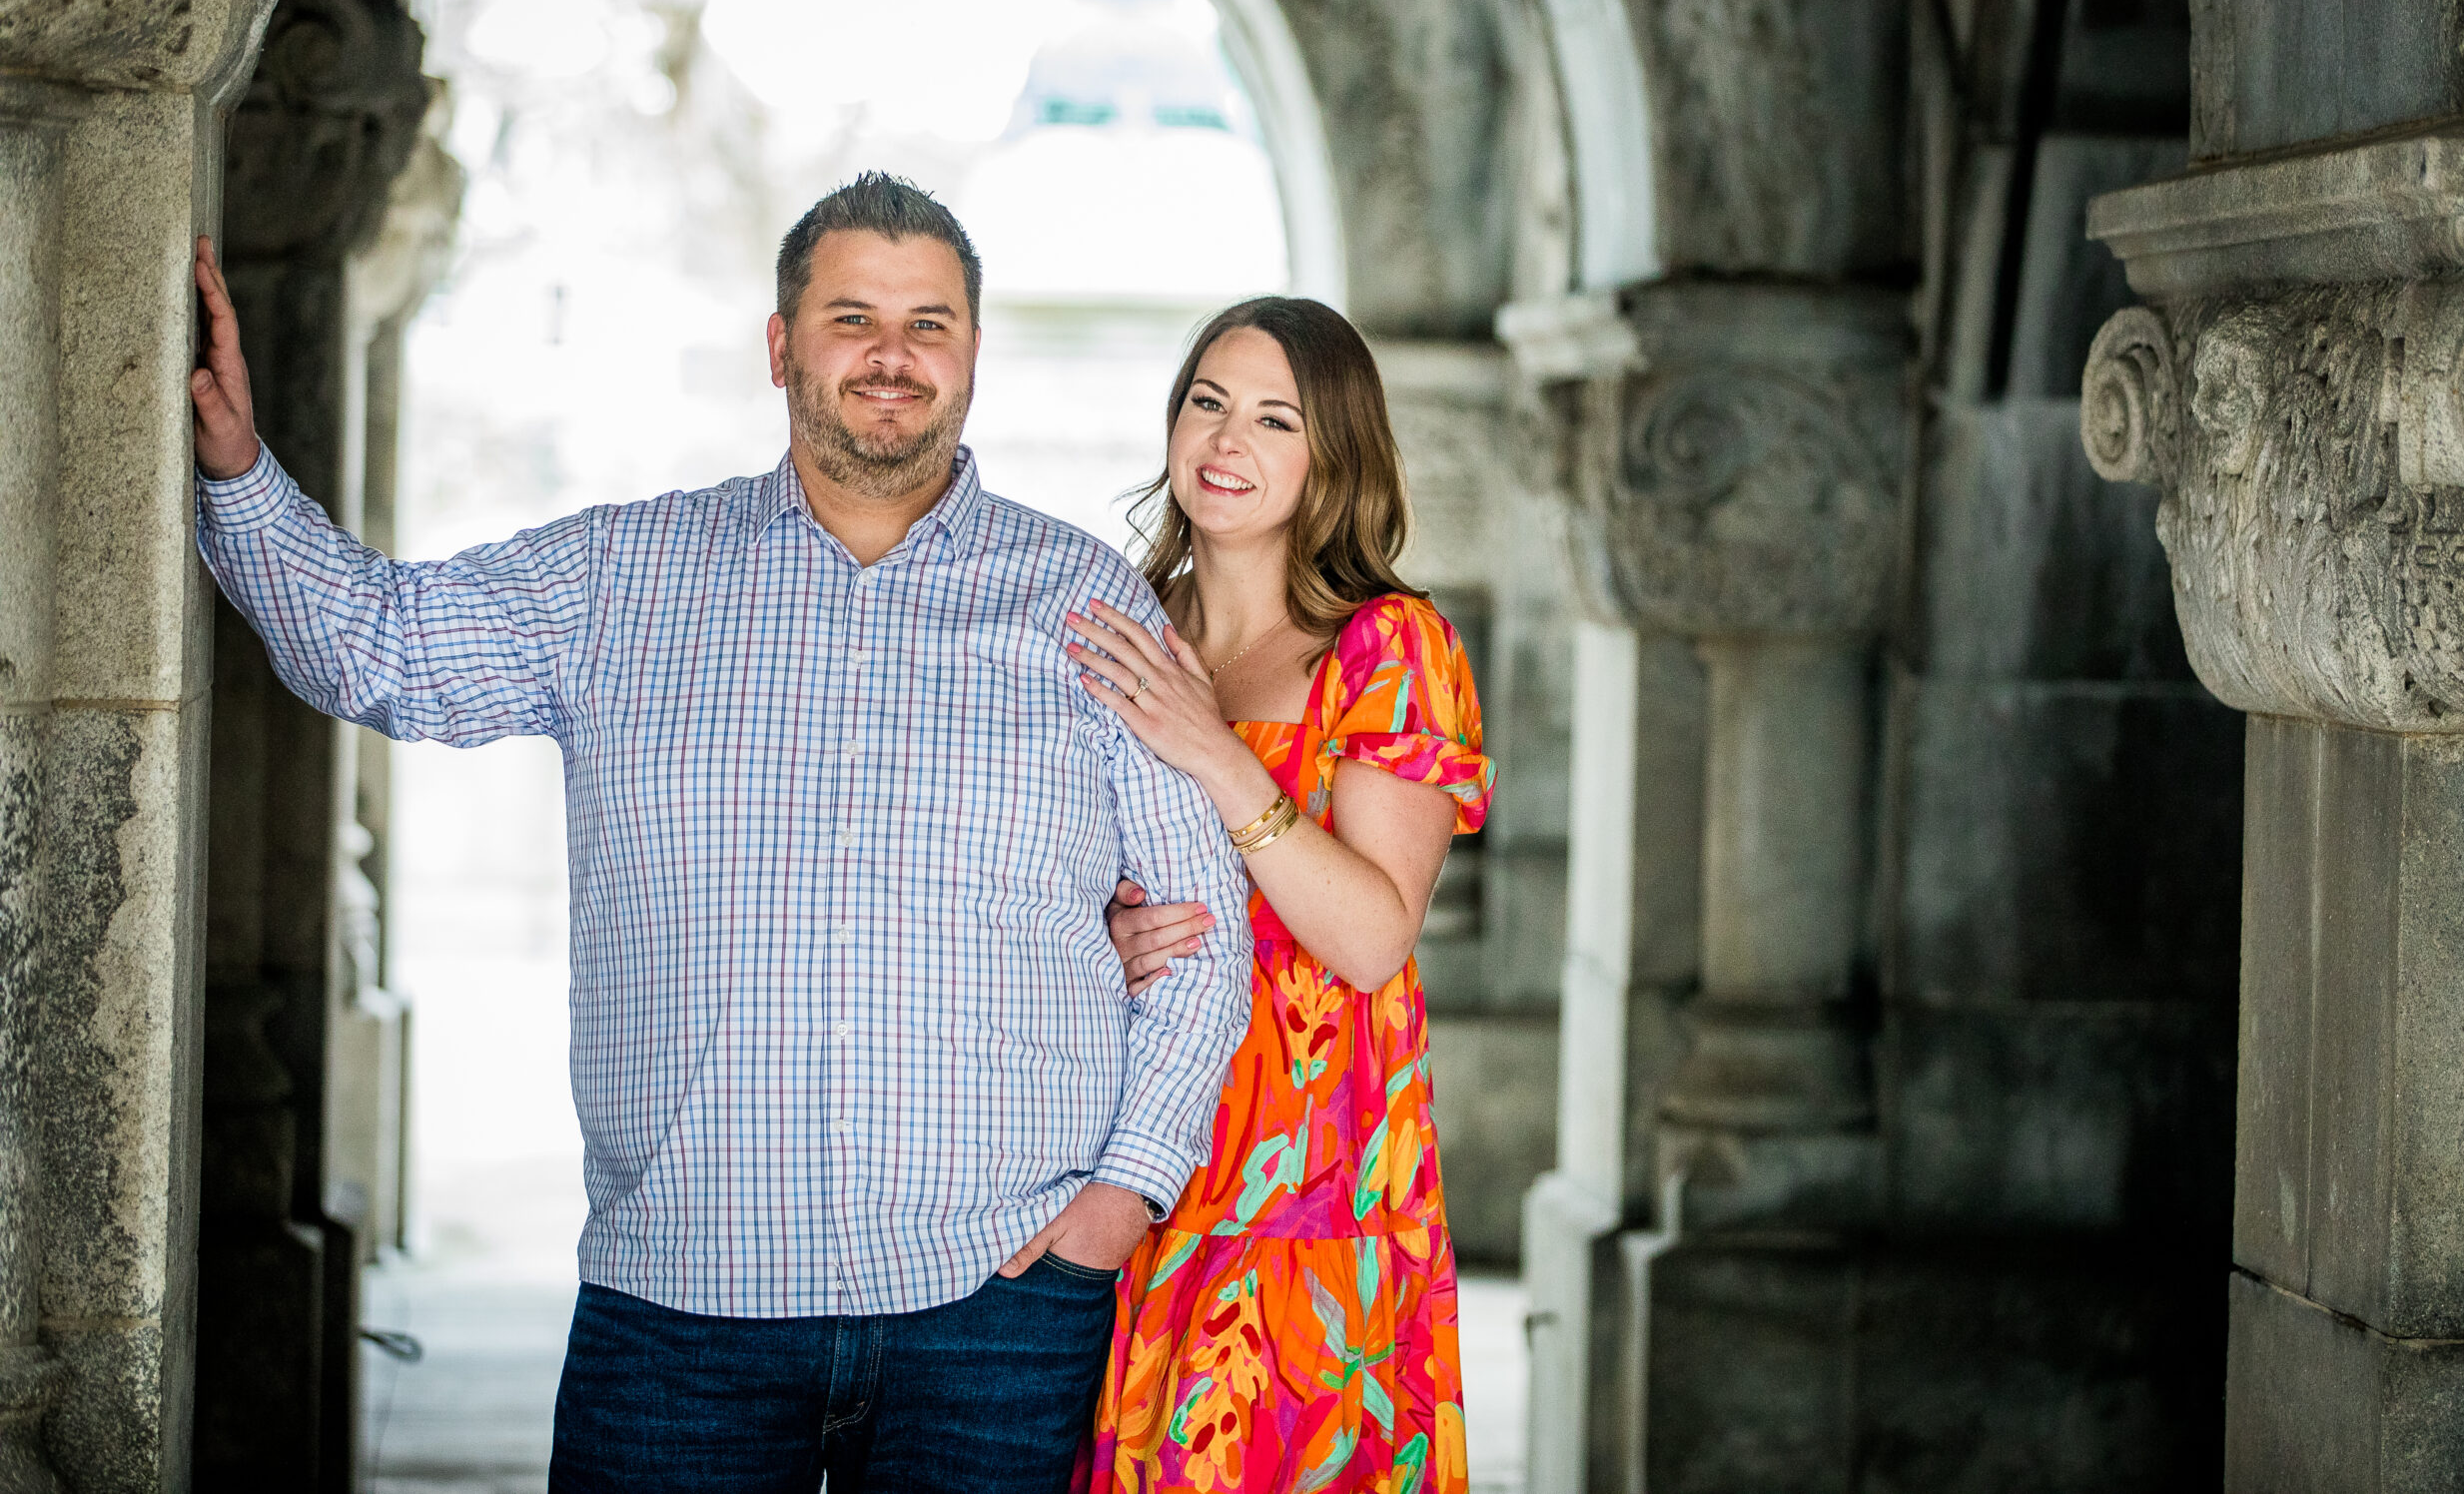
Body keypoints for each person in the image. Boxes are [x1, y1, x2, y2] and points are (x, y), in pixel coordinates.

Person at [185, 173, 1252, 1493]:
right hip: (681, 1309)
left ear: (974, 350)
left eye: (930, 323)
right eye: (851, 315)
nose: (891, 357)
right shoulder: (620, 577)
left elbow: (1206, 936)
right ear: (779, 343)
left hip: (996, 1307)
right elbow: (379, 644)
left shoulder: (1084, 599)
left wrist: (1119, 1201)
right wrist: (235, 464)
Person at [1064, 298, 1494, 1492]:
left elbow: (1368, 938)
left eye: (1272, 418)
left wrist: (1215, 748)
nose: (1224, 439)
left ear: (1331, 456)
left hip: (1309, 1191)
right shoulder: (1118, 631)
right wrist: (1099, 930)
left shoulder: (1386, 647)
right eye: (1206, 401)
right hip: (1118, 1161)